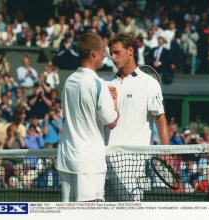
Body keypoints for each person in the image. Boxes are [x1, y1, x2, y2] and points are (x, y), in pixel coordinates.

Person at [106, 33, 169, 201]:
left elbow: (160, 118)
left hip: (133, 165)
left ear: (130, 51)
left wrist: (167, 151)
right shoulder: (106, 84)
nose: (113, 57)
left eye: (117, 52)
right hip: (104, 163)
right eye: (111, 53)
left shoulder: (149, 83)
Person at [57, 32, 119, 202]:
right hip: (89, 163)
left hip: (68, 160)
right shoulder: (99, 84)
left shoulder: (68, 81)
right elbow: (112, 122)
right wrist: (114, 100)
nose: (105, 58)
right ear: (94, 53)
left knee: (67, 214)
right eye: (103, 54)